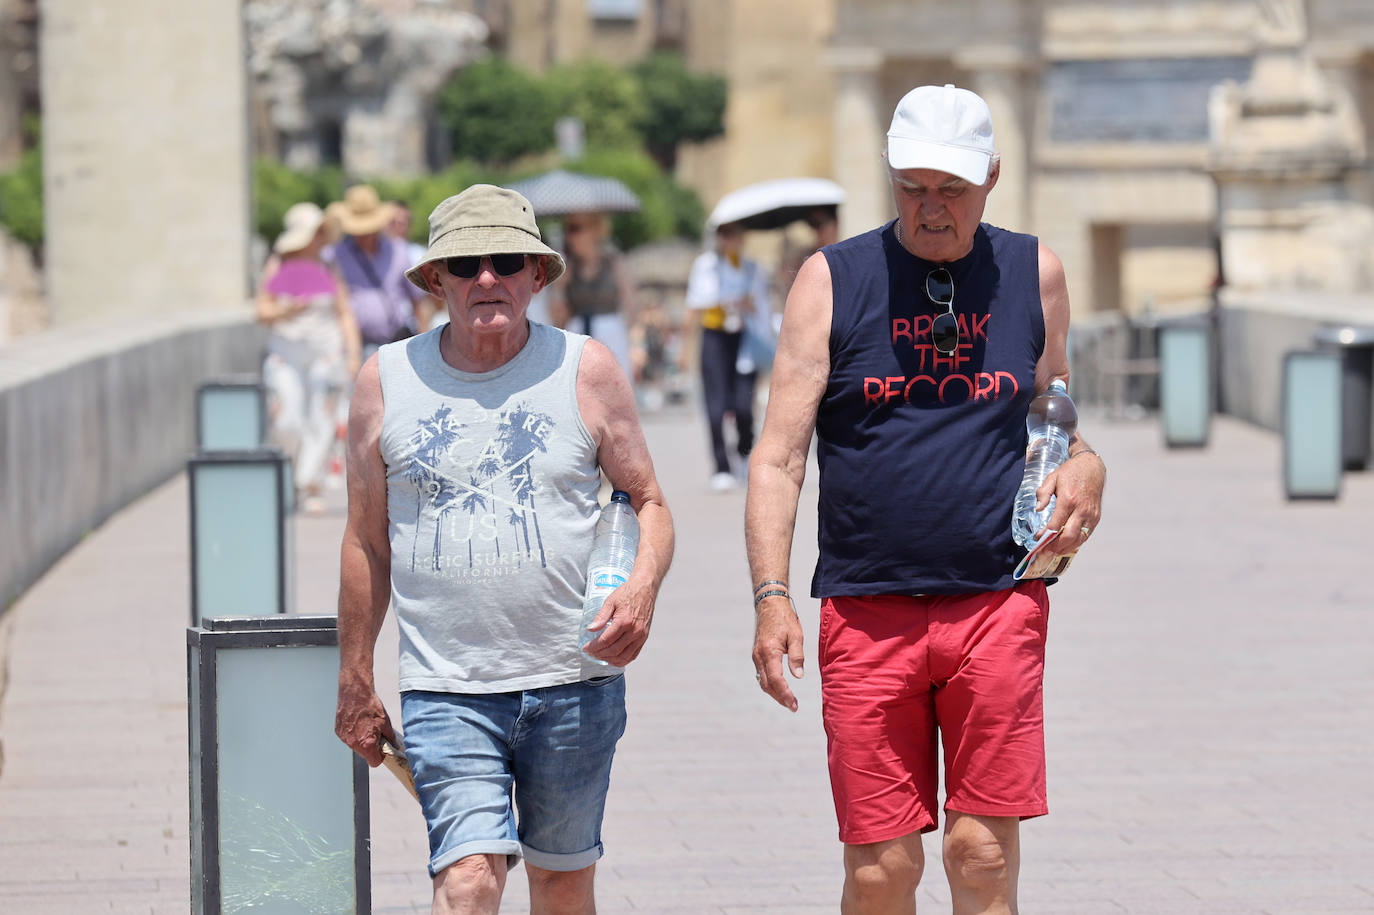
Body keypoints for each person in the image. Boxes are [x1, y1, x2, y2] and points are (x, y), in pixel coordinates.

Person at [745, 84, 1107, 914]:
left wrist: (1088, 465)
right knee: (882, 867)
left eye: (952, 190)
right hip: (868, 606)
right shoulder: (832, 279)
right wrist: (771, 597)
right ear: (889, 176)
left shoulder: (1033, 271)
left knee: (980, 853)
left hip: (998, 599)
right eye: (912, 187)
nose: (931, 208)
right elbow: (778, 456)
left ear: (992, 176)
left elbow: (1056, 413)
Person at [334, 184, 674, 915]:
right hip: (447, 684)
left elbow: (649, 501)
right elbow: (365, 540)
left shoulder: (586, 369)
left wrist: (640, 589)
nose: (486, 278)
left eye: (506, 261)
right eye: (464, 265)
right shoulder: (384, 382)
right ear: (434, 282)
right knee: (468, 880)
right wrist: (355, 674)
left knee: (559, 884)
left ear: (536, 275)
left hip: (574, 679)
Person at [255, 201, 361, 513]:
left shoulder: (328, 267)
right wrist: (288, 310)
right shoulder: (279, 264)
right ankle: (289, 476)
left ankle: (310, 482)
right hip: (286, 351)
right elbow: (262, 310)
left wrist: (352, 354)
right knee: (286, 419)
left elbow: (344, 313)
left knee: (323, 417)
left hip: (326, 351)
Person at [684, 220, 771, 492]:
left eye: (734, 233)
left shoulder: (752, 269)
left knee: (744, 405)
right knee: (715, 406)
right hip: (715, 337)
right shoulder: (705, 265)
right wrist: (685, 349)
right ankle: (721, 466)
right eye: (724, 234)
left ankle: (744, 452)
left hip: (743, 338)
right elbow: (697, 303)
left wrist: (748, 305)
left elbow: (762, 307)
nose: (729, 239)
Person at [326, 184, 434, 357]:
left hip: (398, 340)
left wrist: (426, 343)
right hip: (356, 345)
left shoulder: (398, 251)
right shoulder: (336, 255)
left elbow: (417, 301)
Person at [548, 211, 638, 378]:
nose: (569, 235)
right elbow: (556, 319)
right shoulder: (567, 267)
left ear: (595, 230)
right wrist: (559, 288)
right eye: (567, 229)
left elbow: (631, 304)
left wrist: (629, 339)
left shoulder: (613, 262)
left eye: (575, 229)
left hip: (612, 335)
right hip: (577, 335)